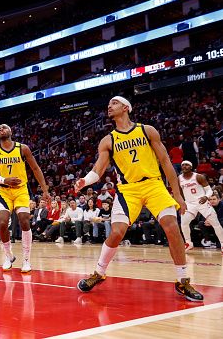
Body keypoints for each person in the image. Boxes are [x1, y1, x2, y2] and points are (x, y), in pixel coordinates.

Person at [75, 96, 203, 301]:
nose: (109, 106)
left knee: (171, 226)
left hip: (153, 184)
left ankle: (183, 280)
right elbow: (98, 170)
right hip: (128, 190)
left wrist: (177, 194)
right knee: (117, 232)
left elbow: (166, 162)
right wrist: (84, 181)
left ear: (126, 108)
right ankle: (98, 273)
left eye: (114, 103)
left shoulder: (147, 130)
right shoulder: (108, 140)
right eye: (108, 104)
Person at [0, 124, 50, 273]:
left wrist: (45, 189)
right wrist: (5, 180)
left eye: (4, 127)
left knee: (24, 220)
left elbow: (35, 168)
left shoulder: (23, 148)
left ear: (11, 132)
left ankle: (27, 260)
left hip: (21, 190)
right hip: (4, 191)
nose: (1, 129)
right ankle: (8, 255)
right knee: (2, 223)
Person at [178, 160, 223, 252]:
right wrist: (182, 203)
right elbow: (180, 193)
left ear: (191, 167)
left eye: (186, 165)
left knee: (215, 223)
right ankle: (188, 243)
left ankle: (222, 243)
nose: (184, 166)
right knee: (184, 223)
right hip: (189, 204)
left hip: (202, 202)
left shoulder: (199, 177)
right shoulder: (179, 178)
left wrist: (206, 197)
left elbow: (209, 190)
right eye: (183, 165)